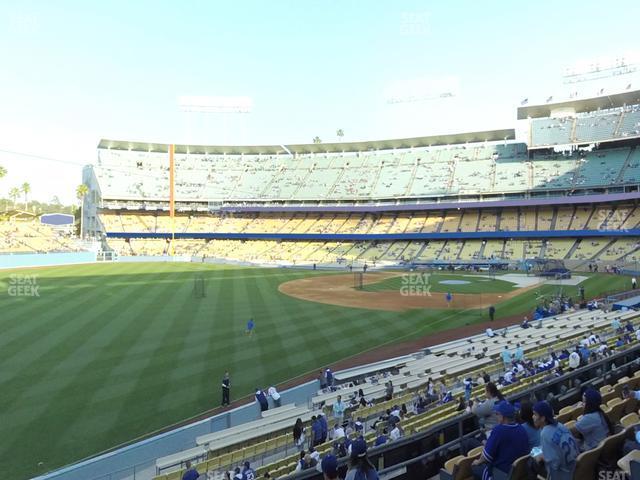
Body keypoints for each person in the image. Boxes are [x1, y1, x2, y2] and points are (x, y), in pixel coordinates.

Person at [471, 401, 529, 480]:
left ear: (502, 417)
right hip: (518, 472)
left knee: (474, 467)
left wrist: (477, 462)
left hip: (501, 473)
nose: (496, 416)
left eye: (497, 414)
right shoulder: (521, 428)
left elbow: (485, 457)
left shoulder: (499, 430)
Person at [532, 401, 579, 480]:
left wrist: (542, 457)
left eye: (535, 414)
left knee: (532, 464)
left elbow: (554, 464)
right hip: (576, 468)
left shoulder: (544, 433)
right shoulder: (561, 425)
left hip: (563, 475)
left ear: (543, 418)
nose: (533, 417)